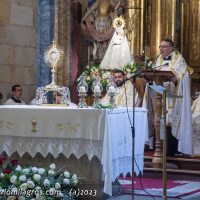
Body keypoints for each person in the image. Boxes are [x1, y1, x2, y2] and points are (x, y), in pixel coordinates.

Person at [143, 38, 193, 156]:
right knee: (159, 119)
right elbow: (155, 75)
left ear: (171, 48)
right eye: (160, 46)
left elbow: (185, 75)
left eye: (164, 46)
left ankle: (171, 150)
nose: (161, 48)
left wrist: (177, 80)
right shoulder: (158, 60)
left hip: (173, 97)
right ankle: (158, 147)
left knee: (170, 121)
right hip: (159, 95)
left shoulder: (179, 60)